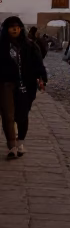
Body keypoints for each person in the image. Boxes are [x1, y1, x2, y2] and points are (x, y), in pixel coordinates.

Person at [1, 17, 47, 159]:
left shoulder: (30, 46)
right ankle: (12, 146)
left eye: (17, 27)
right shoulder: (1, 46)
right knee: (8, 115)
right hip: (5, 83)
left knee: (22, 114)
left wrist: (41, 78)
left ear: (21, 28)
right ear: (6, 29)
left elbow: (38, 63)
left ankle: (20, 142)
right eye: (11, 27)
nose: (15, 29)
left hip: (25, 84)